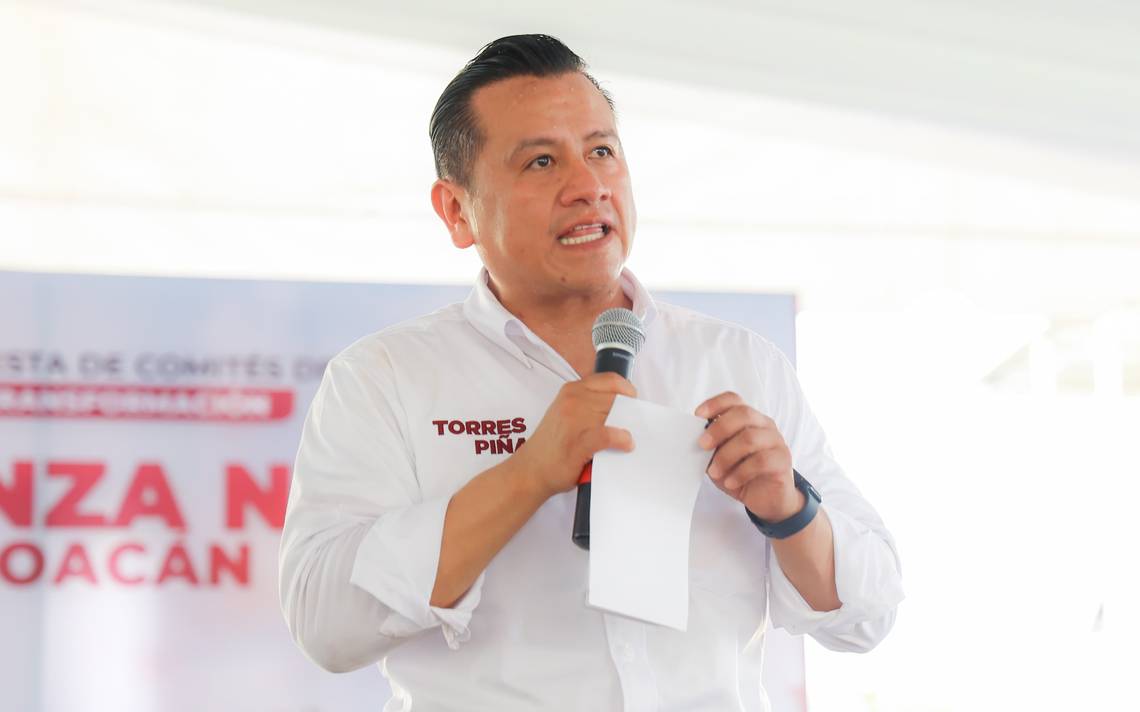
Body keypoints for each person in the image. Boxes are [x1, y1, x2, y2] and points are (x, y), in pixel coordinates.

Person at [279, 34, 903, 711]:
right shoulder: (384, 379)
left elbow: (868, 616)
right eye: (542, 161)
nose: (588, 187)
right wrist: (528, 475)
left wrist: (789, 509)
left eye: (602, 151)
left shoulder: (738, 362)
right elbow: (324, 624)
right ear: (457, 211)